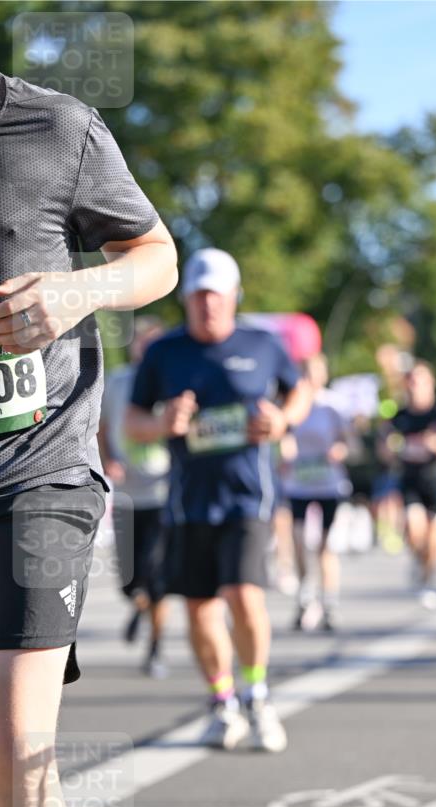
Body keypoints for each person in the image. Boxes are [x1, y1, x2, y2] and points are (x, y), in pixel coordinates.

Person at [0, 46, 177, 807]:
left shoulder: (53, 127)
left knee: (16, 742)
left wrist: (75, 292)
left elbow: (155, 257)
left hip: (38, 470)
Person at [125, 248, 311, 752]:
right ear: (187, 299)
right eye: (199, 296)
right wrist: (162, 424)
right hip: (190, 501)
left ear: (235, 297)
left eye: (217, 296)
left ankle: (257, 694)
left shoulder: (264, 344)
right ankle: (222, 703)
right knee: (201, 607)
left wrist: (283, 420)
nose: (208, 306)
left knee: (245, 595)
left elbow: (301, 392)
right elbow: (132, 422)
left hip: (248, 497)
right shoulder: (165, 352)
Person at [98, 316, 171, 678]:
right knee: (128, 580)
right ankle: (138, 606)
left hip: (163, 493)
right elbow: (102, 427)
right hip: (126, 495)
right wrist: (109, 459)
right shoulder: (117, 382)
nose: (145, 349)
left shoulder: (172, 381)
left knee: (156, 579)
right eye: (140, 342)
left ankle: (155, 649)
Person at [280, 354, 351, 631]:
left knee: (325, 546)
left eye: (315, 373)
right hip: (299, 481)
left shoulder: (333, 405)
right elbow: (284, 435)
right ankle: (304, 597)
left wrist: (338, 451)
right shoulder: (293, 403)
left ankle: (329, 603)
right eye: (305, 373)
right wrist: (286, 455)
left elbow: (348, 443)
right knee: (298, 541)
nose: (310, 378)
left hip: (329, 483)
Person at [382, 361, 436, 609]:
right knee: (415, 531)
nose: (416, 387)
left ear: (431, 384)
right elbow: (383, 449)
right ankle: (417, 561)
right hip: (410, 481)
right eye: (412, 381)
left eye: (421, 381)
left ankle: (427, 580)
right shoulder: (399, 416)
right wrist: (392, 448)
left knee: (434, 541)